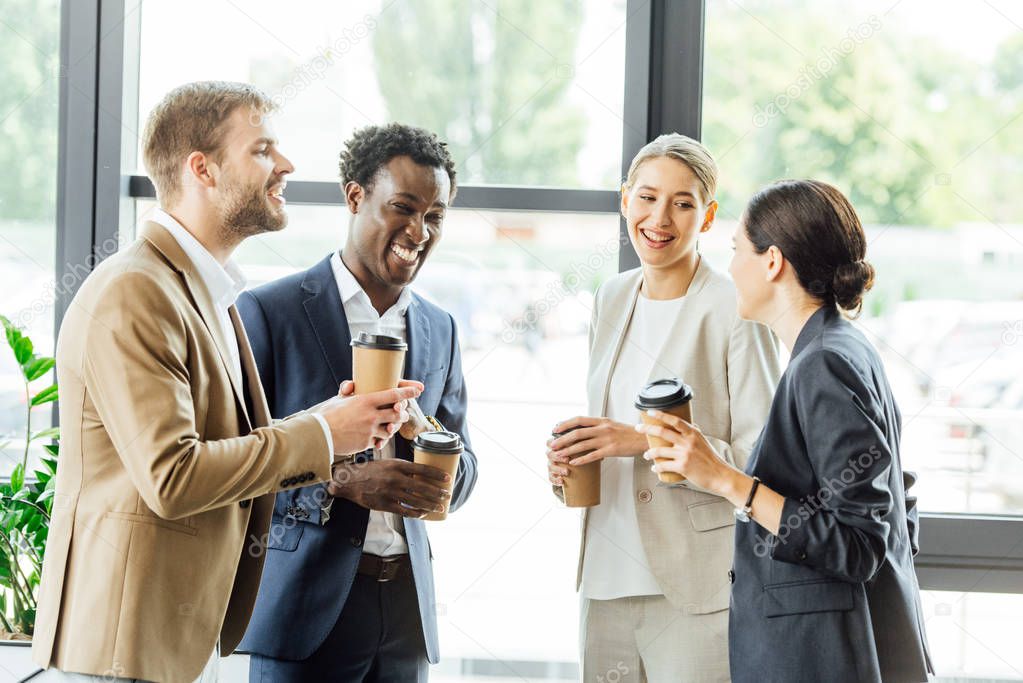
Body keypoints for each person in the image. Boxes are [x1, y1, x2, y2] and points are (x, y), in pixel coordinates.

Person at [30, 82, 421, 683]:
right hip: (122, 649)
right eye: (263, 149)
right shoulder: (137, 290)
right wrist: (320, 434)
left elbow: (215, 447)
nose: (286, 165)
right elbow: (173, 476)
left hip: (171, 643)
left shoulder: (205, 293)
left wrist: (329, 426)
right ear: (202, 169)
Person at [639, 179, 933, 682]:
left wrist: (725, 480)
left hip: (823, 660)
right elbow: (892, 501)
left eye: (736, 250)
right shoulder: (840, 347)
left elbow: (859, 545)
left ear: (772, 262)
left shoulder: (823, 363)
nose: (730, 267)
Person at [238, 123, 478, 682]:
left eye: (436, 216)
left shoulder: (439, 329)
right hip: (302, 616)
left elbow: (465, 475)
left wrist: (426, 439)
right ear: (354, 197)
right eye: (404, 207)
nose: (419, 231)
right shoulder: (270, 312)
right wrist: (338, 483)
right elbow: (235, 465)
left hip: (406, 619)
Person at [546, 134, 781, 681]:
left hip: (693, 587)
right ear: (624, 200)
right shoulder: (612, 297)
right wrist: (570, 460)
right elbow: (605, 433)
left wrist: (640, 438)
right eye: (647, 198)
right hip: (604, 577)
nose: (660, 218)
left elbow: (762, 457)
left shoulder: (736, 307)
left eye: (683, 203)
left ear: (707, 216)